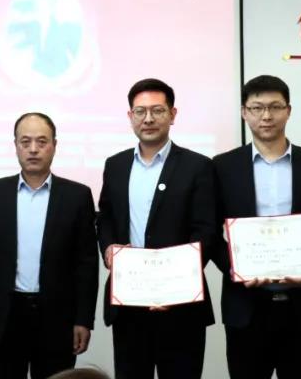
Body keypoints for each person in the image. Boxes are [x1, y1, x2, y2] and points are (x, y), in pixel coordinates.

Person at [212, 74, 301, 379]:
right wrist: (236, 269)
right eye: (257, 108)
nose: (266, 116)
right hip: (246, 308)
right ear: (244, 113)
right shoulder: (222, 167)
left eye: (275, 107)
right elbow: (210, 232)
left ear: (288, 110)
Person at [98, 78, 216, 379]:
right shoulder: (116, 165)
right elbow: (106, 217)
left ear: (172, 115)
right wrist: (108, 247)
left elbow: (205, 230)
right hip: (129, 302)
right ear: (130, 116)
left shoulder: (197, 166)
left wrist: (176, 285)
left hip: (181, 306)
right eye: (140, 111)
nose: (148, 119)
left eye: (157, 110)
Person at [0, 112, 98, 379]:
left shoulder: (77, 196)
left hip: (58, 317)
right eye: (25, 142)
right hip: (4, 315)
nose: (33, 149)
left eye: (42, 141)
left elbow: (86, 265)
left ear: (54, 145)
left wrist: (84, 320)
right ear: (15, 145)